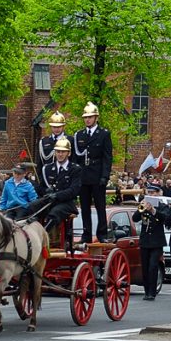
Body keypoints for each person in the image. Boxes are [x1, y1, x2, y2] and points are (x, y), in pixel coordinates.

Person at [73, 102, 113, 244]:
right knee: (84, 207)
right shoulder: (79, 135)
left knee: (100, 206)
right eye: (86, 117)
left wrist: (105, 176)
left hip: (97, 175)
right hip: (84, 175)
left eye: (90, 117)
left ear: (96, 118)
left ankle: (102, 233)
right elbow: (76, 159)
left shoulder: (104, 134)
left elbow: (107, 157)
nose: (87, 120)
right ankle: (86, 234)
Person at [35, 138, 82, 244]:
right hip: (49, 201)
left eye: (63, 152)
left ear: (68, 153)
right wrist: (46, 191)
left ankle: (42, 238)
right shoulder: (47, 168)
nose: (60, 154)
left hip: (66, 203)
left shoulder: (75, 169)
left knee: (54, 213)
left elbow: (73, 190)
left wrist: (57, 195)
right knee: (32, 207)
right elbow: (40, 187)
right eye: (58, 152)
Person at [133, 185, 169, 301]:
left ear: (158, 193)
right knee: (145, 267)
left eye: (153, 193)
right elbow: (135, 218)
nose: (151, 195)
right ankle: (146, 291)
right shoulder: (143, 205)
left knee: (153, 266)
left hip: (157, 241)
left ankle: (152, 292)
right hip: (145, 241)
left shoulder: (163, 206)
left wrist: (153, 211)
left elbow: (165, 218)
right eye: (149, 193)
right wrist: (141, 208)